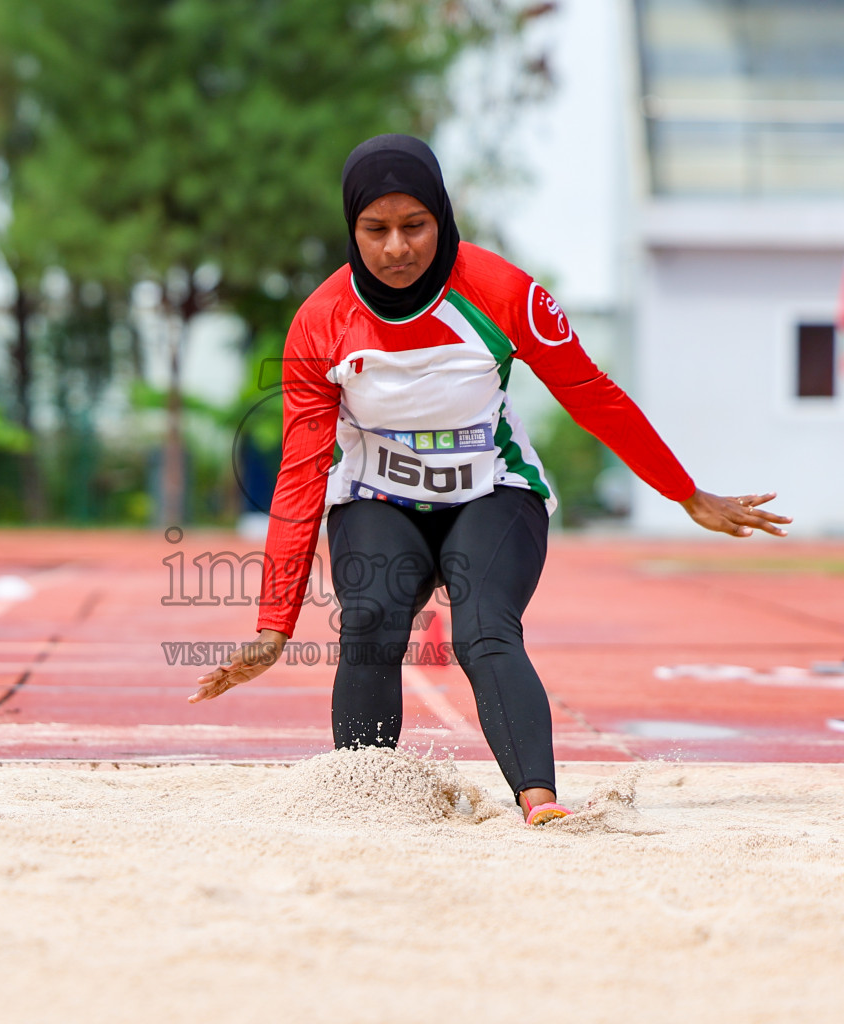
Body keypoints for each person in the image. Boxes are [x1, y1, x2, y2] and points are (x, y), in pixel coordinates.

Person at [188, 134, 790, 825]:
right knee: (371, 621)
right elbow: (300, 478)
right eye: (375, 230)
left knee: (483, 630)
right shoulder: (322, 322)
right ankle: (363, 799)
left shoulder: (502, 291)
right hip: (380, 503)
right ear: (351, 229)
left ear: (442, 218)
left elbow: (592, 395)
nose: (396, 249)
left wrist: (685, 493)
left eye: (414, 226)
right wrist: (274, 626)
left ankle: (539, 801)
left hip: (493, 494)